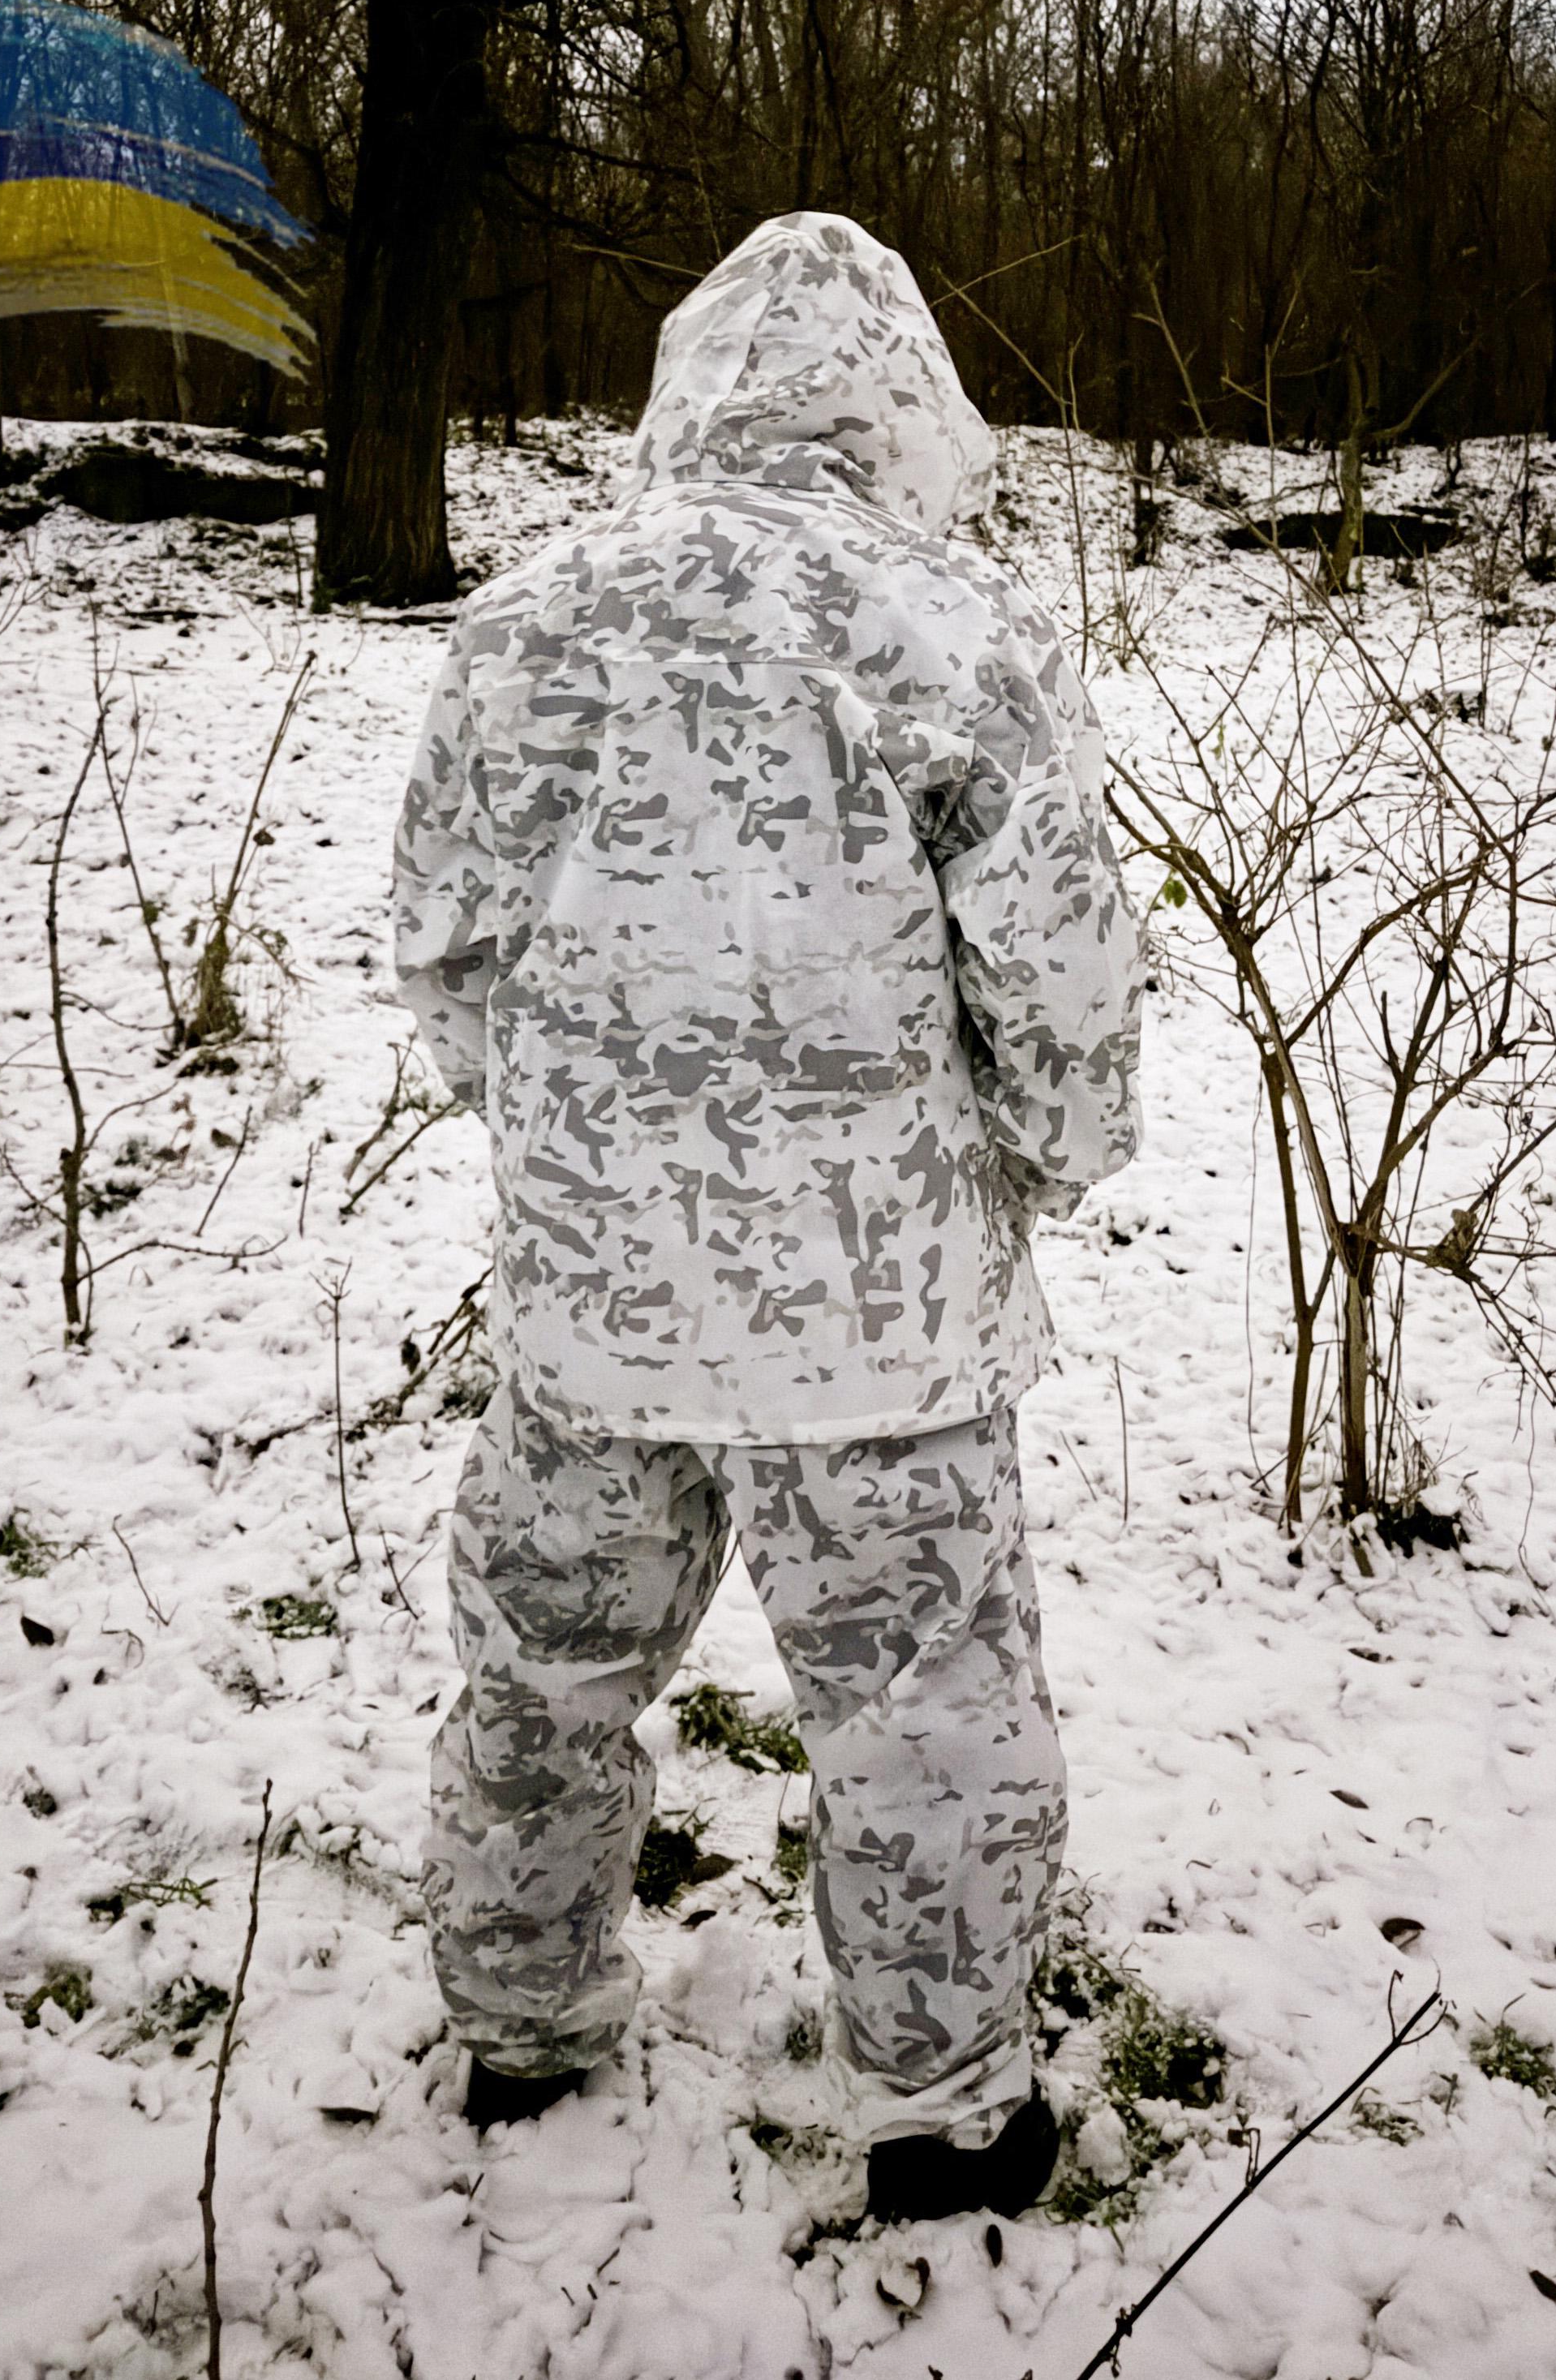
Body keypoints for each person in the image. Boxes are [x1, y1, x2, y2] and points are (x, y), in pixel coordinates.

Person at [393, 209, 1143, 2223]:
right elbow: (1064, 984)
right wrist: (1047, 1164)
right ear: (905, 401)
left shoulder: (526, 624)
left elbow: (446, 958)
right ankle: (950, 2109)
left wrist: (572, 1141)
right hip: (883, 1324)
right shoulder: (955, 630)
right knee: (924, 1707)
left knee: (546, 1668)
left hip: (588, 1301)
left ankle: (519, 2034)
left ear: (692, 386)